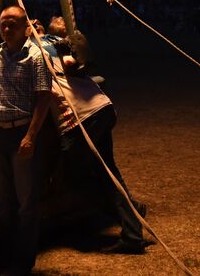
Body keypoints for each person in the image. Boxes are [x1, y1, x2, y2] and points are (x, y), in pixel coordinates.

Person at [37, 31, 147, 255]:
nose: (34, 27)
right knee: (108, 174)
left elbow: (74, 61)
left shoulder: (45, 50)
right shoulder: (51, 49)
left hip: (82, 118)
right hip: (101, 108)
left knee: (73, 177)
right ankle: (132, 225)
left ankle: (129, 212)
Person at [0, 6, 52, 276]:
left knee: (26, 202)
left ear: (25, 28)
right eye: (3, 24)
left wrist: (31, 136)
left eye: (12, 25)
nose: (7, 29)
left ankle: (24, 259)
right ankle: (4, 254)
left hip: (22, 133)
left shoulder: (35, 57)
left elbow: (43, 97)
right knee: (2, 199)